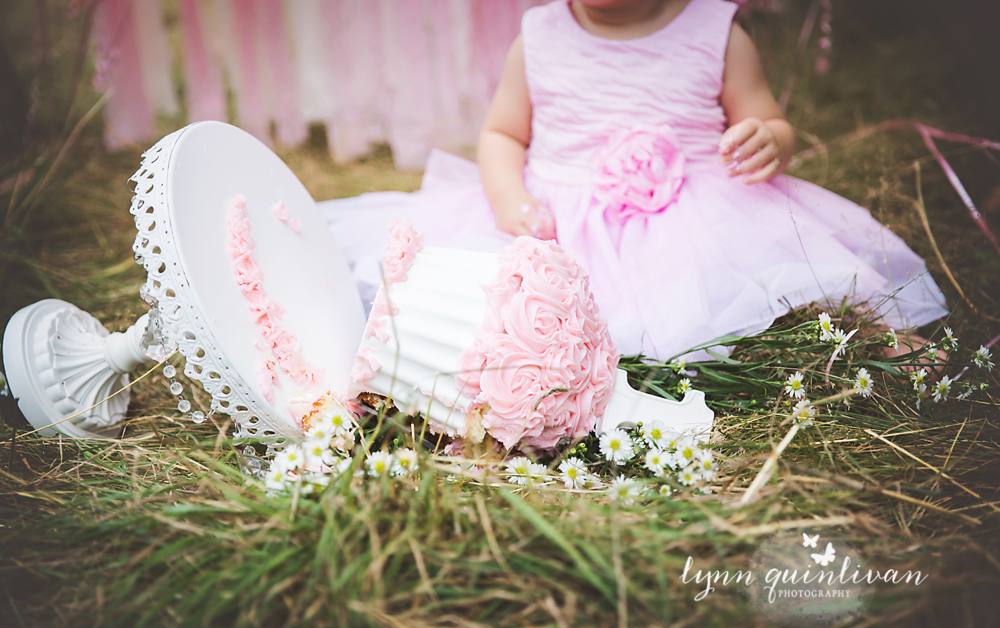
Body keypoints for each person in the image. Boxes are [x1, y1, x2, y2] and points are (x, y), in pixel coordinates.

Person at [320, 0, 947, 361]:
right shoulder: (539, 35)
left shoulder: (716, 31)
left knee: (791, 284)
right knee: (485, 305)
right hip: (558, 218)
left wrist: (769, 139)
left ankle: (868, 337)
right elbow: (502, 134)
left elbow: (766, 115)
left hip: (701, 215)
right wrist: (508, 195)